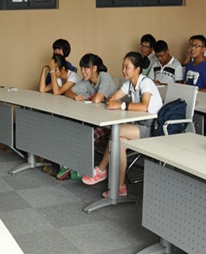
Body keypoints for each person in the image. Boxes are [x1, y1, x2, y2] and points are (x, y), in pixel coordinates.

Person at [81, 52, 162, 197]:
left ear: (137, 69)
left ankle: (101, 170)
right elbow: (111, 98)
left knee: (116, 132)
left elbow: (144, 106)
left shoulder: (146, 83)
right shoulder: (129, 84)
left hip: (152, 128)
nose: (123, 70)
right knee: (119, 143)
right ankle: (120, 187)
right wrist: (112, 101)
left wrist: (121, 105)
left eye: (127, 67)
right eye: (123, 66)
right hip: (138, 125)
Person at [55, 53, 117, 180]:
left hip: (109, 124)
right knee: (69, 125)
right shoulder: (87, 81)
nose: (82, 72)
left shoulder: (104, 77)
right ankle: (70, 162)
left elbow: (97, 99)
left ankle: (81, 167)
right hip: (93, 119)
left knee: (88, 136)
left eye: (85, 68)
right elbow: (68, 92)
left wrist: (87, 97)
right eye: (81, 68)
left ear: (94, 68)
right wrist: (75, 96)